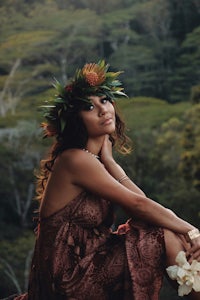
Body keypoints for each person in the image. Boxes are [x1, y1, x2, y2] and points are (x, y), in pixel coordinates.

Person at [11, 60, 200, 300]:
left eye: (105, 100)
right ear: (75, 121)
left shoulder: (95, 161)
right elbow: (139, 206)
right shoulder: (74, 160)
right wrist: (192, 231)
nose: (103, 110)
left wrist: (110, 162)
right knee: (166, 232)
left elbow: (141, 202)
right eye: (89, 108)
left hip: (94, 259)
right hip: (69, 277)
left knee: (165, 227)